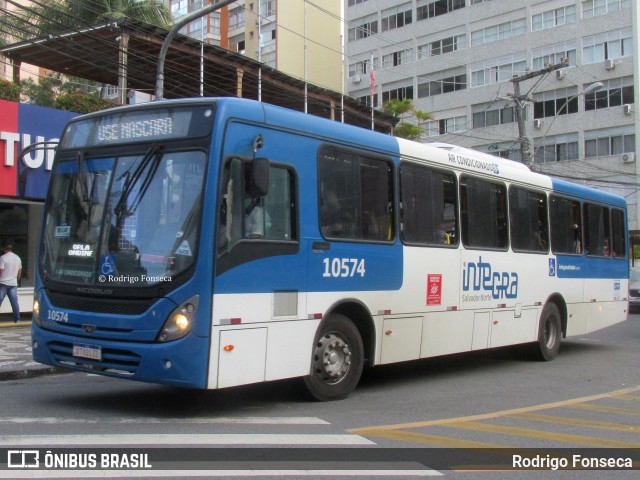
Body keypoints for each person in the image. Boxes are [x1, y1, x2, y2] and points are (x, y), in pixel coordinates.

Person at [0, 242, 22, 323]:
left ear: (4, 249)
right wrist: (17, 281)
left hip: (3, 283)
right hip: (13, 284)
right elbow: (19, 272)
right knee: (14, 303)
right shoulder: (18, 258)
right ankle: (17, 319)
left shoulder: (3, 258)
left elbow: (1, 271)